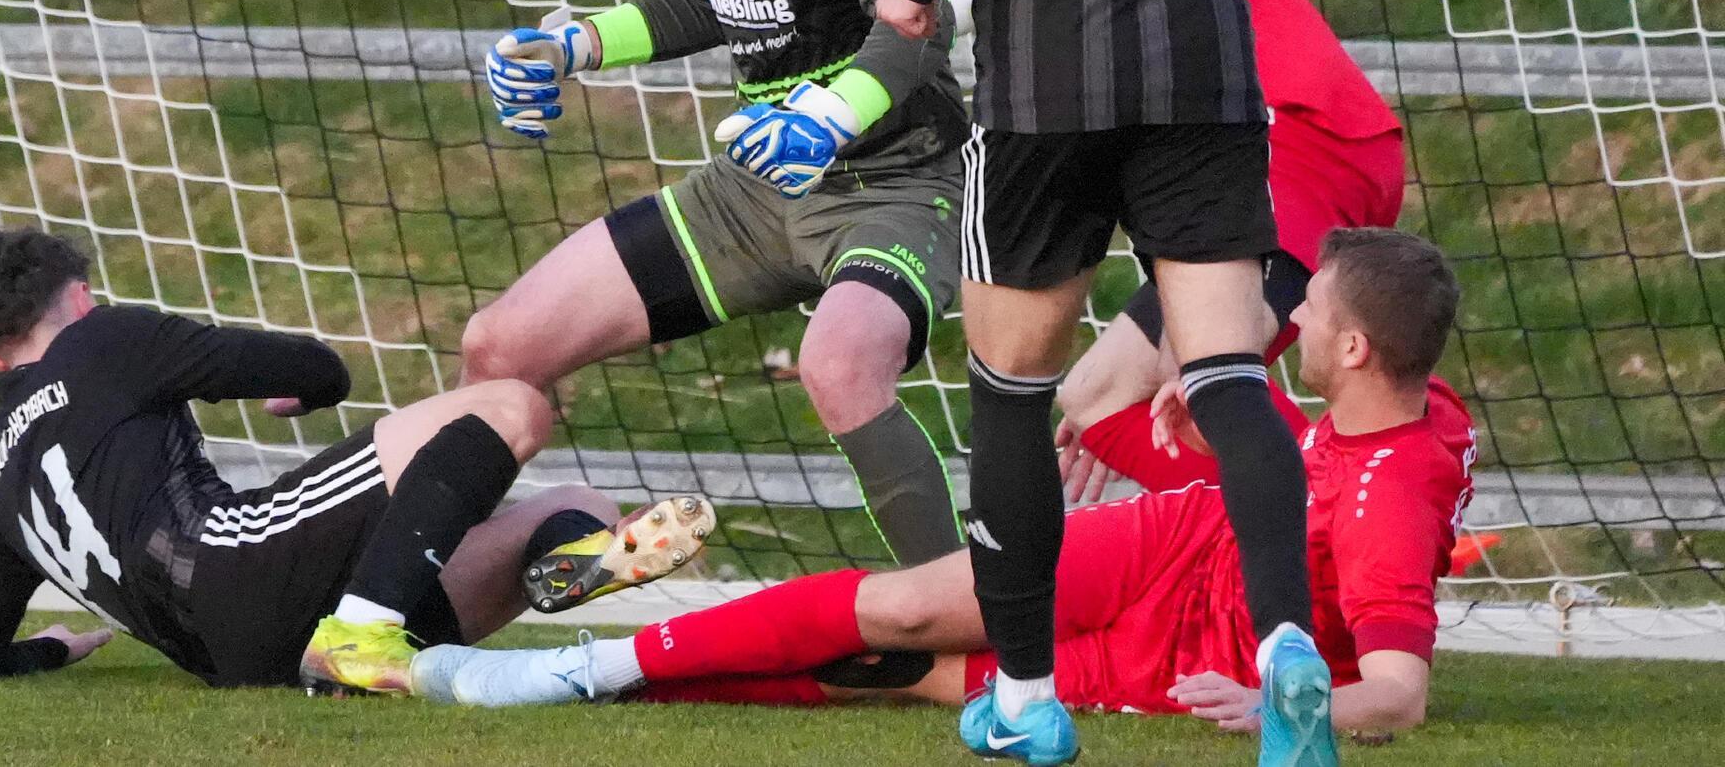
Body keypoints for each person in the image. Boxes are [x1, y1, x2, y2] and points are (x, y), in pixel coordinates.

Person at [868, 0, 1327, 760]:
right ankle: (1288, 644)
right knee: (1228, 373)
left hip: (1046, 73)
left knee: (1012, 391)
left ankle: (1024, 699)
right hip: (1201, 66)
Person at [413, 229, 1474, 754]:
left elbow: (1397, 691)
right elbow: (1315, 484)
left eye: (1308, 312)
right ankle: (577, 667)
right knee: (910, 603)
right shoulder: (1411, 422)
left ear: (1350, 342)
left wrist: (1269, 708)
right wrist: (1226, 441)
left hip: (1188, 648)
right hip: (1168, 547)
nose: (1284, 326)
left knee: (902, 673)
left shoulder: (1397, 494)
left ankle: (620, 686)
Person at [461, 0, 968, 566]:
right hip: (751, 194)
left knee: (840, 363)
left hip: (891, 182)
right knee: (501, 344)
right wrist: (576, 43)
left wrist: (830, 116)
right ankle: (432, 590)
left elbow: (914, 18)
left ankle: (969, 625)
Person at [865, 0, 1407, 500]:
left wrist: (830, 95)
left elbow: (940, 8)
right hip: (1261, 148)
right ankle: (1282, 553)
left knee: (1206, 380)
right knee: (1101, 399)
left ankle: (1372, 508)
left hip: (1305, 141)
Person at [0, 228, 716, 695]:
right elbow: (307, 365)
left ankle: (558, 559)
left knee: (568, 503)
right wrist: (312, 391)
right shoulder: (103, 340)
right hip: (244, 563)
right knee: (510, 405)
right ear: (78, 300)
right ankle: (362, 633)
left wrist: (49, 648)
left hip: (239, 664)